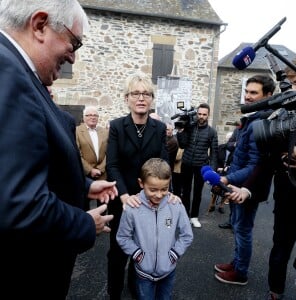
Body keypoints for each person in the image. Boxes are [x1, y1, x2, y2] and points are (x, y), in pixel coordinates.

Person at [0, 1, 118, 299]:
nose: (74, 58)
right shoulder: (9, 74)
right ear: (40, 25)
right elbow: (19, 206)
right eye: (74, 42)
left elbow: (22, 165)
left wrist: (84, 186)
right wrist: (85, 223)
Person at [106, 73, 170, 300]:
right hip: (121, 202)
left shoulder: (160, 128)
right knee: (117, 252)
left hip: (148, 201)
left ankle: (136, 290)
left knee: (142, 250)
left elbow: (163, 165)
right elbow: (112, 165)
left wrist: (160, 193)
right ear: (127, 98)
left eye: (146, 93)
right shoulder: (116, 127)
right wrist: (123, 195)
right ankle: (113, 292)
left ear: (152, 99)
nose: (141, 98)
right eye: (136, 93)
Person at [214, 75, 276, 286]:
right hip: (239, 183)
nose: (247, 97)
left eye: (254, 93)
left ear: (268, 96)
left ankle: (240, 272)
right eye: (247, 91)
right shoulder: (253, 118)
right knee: (238, 225)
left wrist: (227, 177)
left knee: (243, 229)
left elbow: (254, 164)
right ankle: (236, 262)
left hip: (248, 186)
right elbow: (242, 156)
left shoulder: (260, 122)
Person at [116, 158, 193, 300]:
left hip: (168, 271)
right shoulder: (132, 208)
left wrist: (174, 254)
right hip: (143, 273)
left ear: (169, 183)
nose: (159, 195)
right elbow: (123, 237)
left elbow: (187, 235)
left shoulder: (176, 205)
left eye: (164, 189)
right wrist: (138, 255)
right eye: (153, 190)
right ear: (141, 183)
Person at [266, 58, 296, 300]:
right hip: (287, 190)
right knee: (280, 245)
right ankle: (275, 290)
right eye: (294, 83)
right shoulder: (281, 113)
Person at [177, 103, 218, 228]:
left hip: (201, 165)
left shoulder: (212, 132)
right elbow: (183, 145)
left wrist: (213, 171)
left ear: (208, 115)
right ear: (197, 114)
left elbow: (214, 152)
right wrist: (180, 131)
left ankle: (194, 217)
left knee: (197, 193)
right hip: (187, 163)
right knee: (186, 191)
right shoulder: (190, 127)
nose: (201, 116)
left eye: (204, 114)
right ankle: (184, 215)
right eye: (199, 114)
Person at [76, 106, 108, 181]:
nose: (92, 117)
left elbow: (109, 152)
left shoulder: (105, 132)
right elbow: (76, 154)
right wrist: (90, 170)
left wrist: (101, 169)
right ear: (84, 117)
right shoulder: (77, 131)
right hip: (84, 175)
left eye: (95, 115)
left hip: (102, 175)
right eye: (89, 115)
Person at [208, 131, 234, 214]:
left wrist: (228, 167)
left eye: (232, 139)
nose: (230, 140)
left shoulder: (236, 151)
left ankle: (221, 205)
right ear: (227, 139)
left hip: (229, 173)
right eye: (229, 139)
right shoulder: (220, 147)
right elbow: (214, 159)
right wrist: (216, 169)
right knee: (216, 187)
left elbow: (235, 163)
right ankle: (212, 204)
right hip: (218, 171)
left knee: (226, 189)